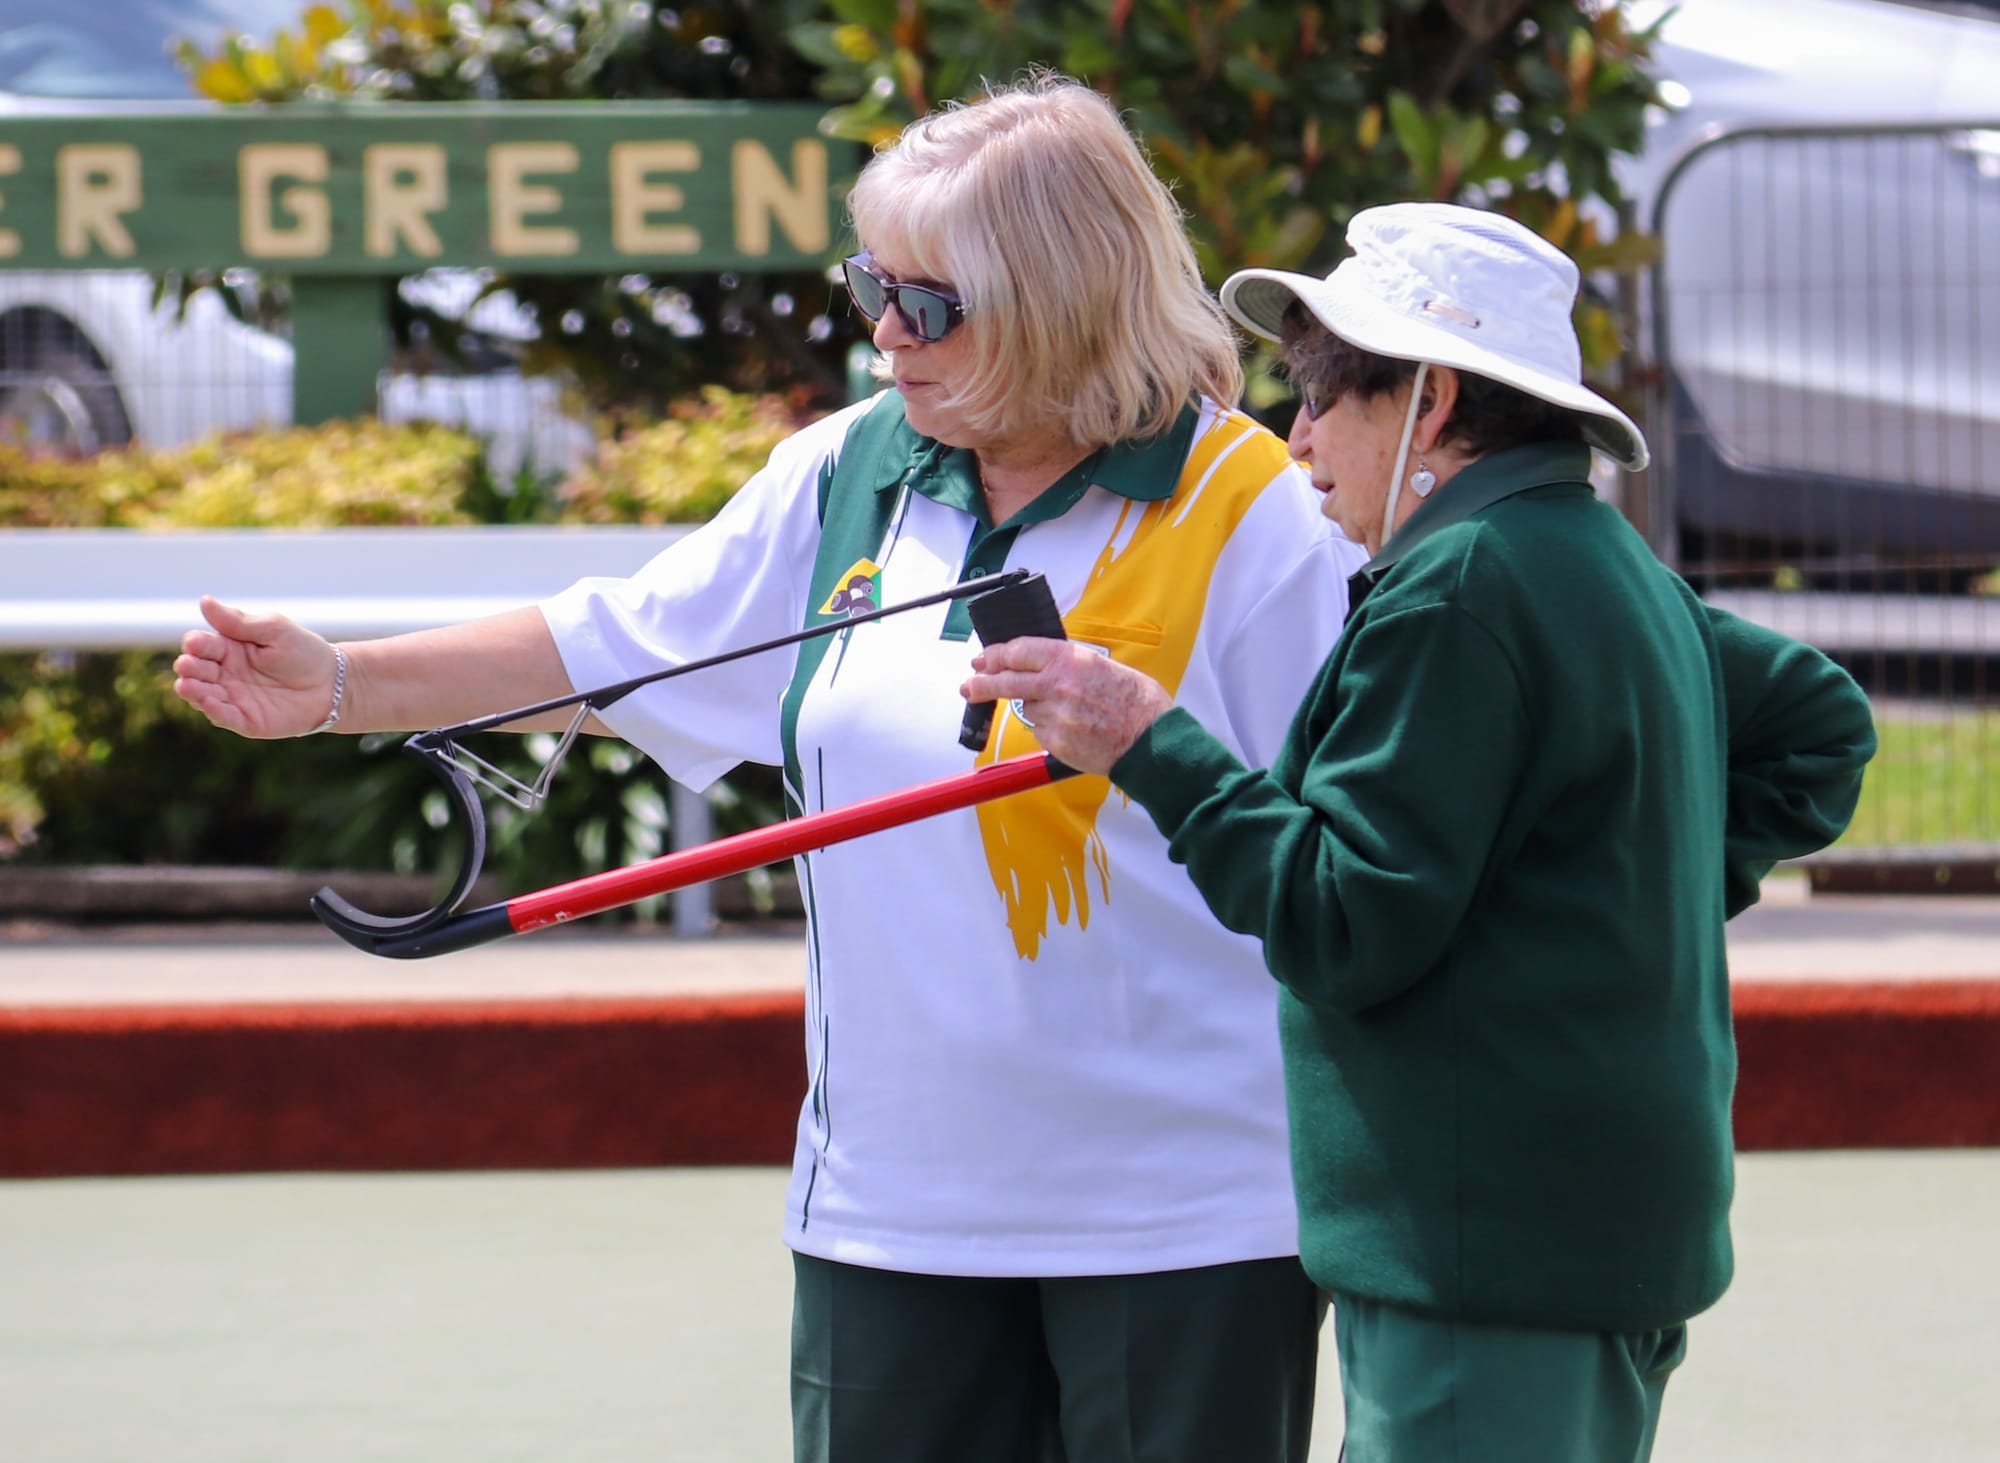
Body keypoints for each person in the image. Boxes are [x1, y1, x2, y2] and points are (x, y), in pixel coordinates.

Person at [173, 75, 1368, 1463]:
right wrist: (334, 682)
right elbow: (620, 643)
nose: (884, 330)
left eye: (930, 303)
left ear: (1059, 298)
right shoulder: (847, 472)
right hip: (888, 1205)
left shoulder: (1263, 517)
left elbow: (1325, 856)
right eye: (874, 280)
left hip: (1190, 1217)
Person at [963, 202, 1878, 1462]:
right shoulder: (1592, 558)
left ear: (1431, 403)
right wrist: (1599, 903)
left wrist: (1145, 741)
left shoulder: (1456, 587)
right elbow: (1818, 725)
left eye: (1326, 392)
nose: (1297, 436)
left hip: (1487, 1249)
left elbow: (1340, 921)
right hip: (1570, 1228)